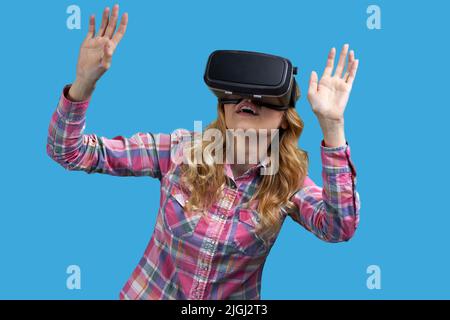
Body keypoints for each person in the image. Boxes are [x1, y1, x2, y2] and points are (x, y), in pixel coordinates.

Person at [47, 4, 361, 300]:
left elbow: (339, 227)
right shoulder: (178, 151)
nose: (246, 102)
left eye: (260, 99)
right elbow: (68, 152)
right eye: (234, 96)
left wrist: (333, 126)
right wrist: (83, 83)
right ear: (223, 110)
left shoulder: (286, 183)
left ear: (283, 117)